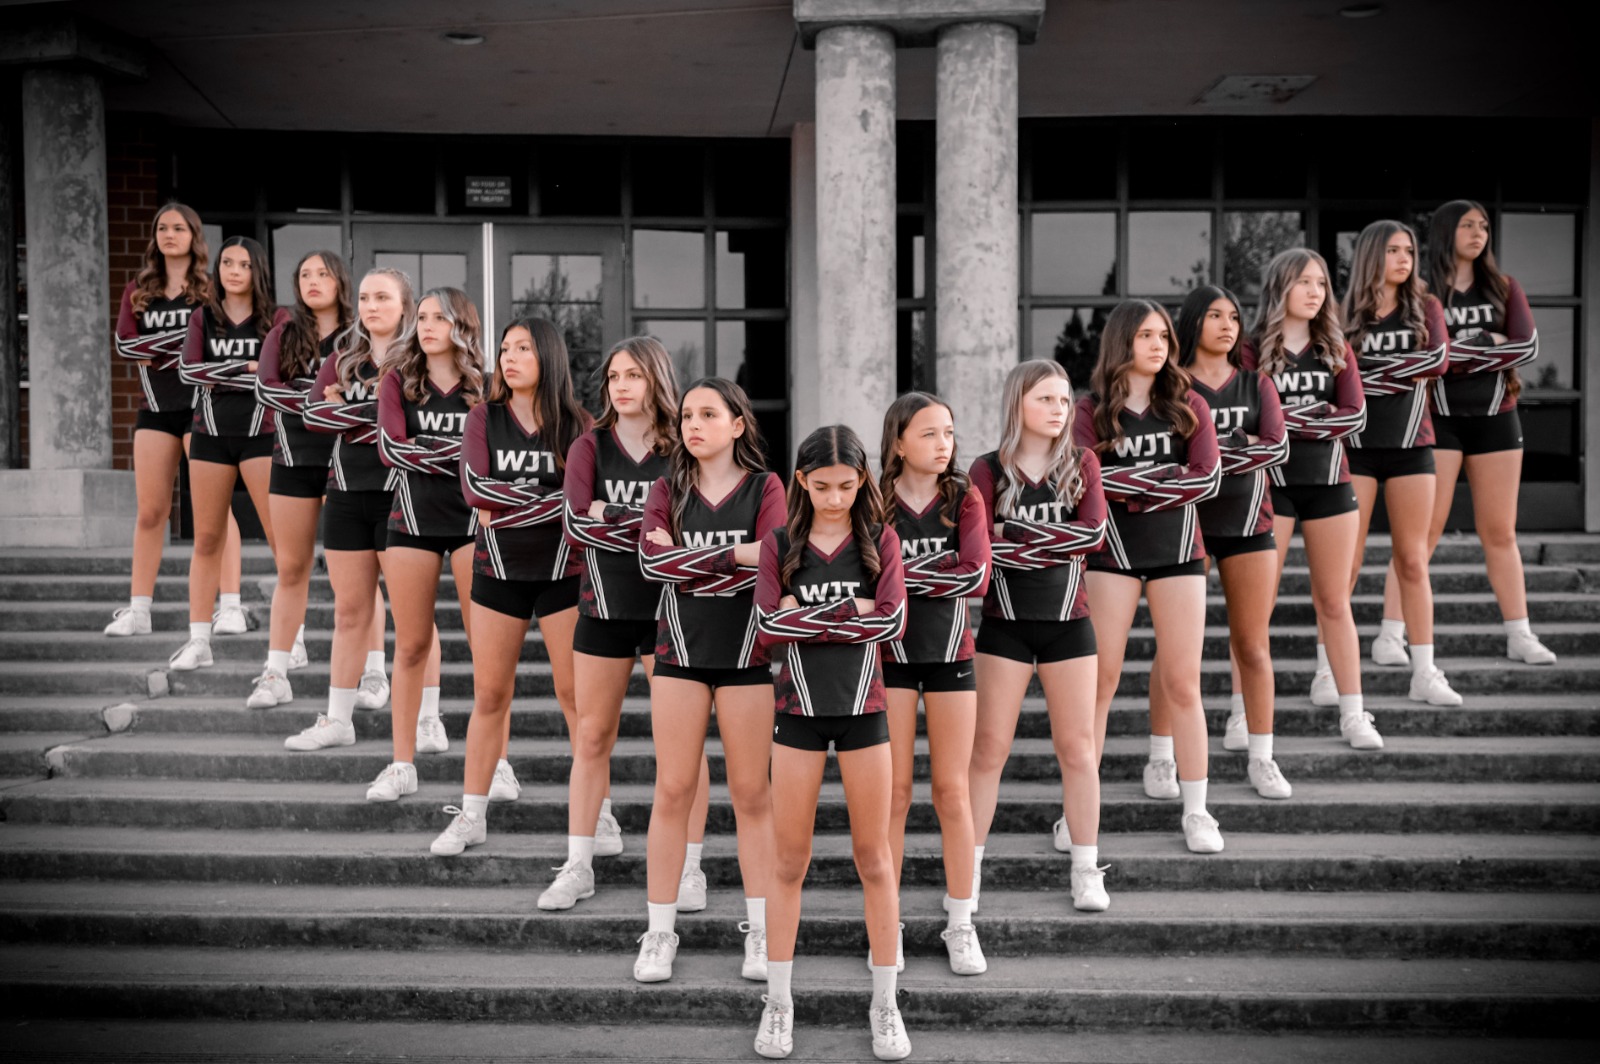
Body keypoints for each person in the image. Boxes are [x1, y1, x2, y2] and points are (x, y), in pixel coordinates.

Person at [535, 337, 713, 908]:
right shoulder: (590, 447)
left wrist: (610, 515)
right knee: (590, 736)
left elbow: (687, 533)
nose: (621, 385)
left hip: (673, 615)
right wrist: (644, 525)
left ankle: (690, 867)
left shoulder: (682, 449)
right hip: (604, 610)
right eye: (613, 376)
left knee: (682, 748)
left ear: (656, 378)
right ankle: (579, 863)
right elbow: (575, 528)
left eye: (633, 375)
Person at [752, 424, 909, 1062]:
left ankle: (886, 1004)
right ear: (801, 482)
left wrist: (807, 616)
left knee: (875, 860)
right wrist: (854, 614)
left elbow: (893, 620)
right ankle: (779, 1003)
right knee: (789, 863)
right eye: (822, 487)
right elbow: (768, 625)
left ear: (864, 481)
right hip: (796, 715)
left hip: (865, 714)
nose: (836, 497)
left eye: (848, 485)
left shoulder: (882, 541)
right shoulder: (780, 543)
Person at [633, 378, 783, 987]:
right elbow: (650, 562)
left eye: (709, 414)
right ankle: (660, 932)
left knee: (752, 796)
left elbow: (772, 557)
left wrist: (692, 561)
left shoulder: (766, 487)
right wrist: (731, 558)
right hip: (679, 655)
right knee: (672, 791)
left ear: (737, 424)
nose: (694, 424)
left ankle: (762, 932)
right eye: (688, 414)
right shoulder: (666, 489)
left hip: (747, 658)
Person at [430, 318, 589, 855]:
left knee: (575, 698)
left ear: (548, 356)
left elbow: (579, 506)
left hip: (563, 575)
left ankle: (601, 816)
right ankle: (472, 814)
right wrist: (546, 502)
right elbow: (475, 490)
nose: (510, 357)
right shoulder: (483, 418)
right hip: (497, 573)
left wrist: (513, 499)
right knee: (490, 695)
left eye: (523, 348)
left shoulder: (578, 425)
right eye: (504, 349)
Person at [1376, 199, 1557, 667]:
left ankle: (1520, 634)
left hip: (1498, 416)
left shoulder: (1503, 287)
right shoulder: (1421, 293)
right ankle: (1391, 635)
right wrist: (1486, 343)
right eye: (1467, 225)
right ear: (1444, 232)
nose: (1479, 233)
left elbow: (1527, 347)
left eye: (1483, 226)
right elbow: (1425, 358)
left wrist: (1460, 351)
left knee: (1499, 531)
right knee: (1422, 536)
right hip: (1438, 421)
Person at [1075, 301, 1224, 854]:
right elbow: (1087, 482)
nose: (1159, 344)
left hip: (1179, 553)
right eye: (1144, 335)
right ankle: (1078, 811)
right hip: (1111, 555)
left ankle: (1197, 810)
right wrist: (1163, 481)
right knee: (1101, 683)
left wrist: (1131, 485)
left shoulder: (1189, 406)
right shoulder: (1091, 410)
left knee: (1184, 683)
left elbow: (1206, 478)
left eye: (1163, 335)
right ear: (1121, 343)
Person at [967, 360, 1109, 913]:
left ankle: (1085, 869)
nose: (1058, 410)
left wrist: (1015, 532)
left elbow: (1092, 535)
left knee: (1078, 750)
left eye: (1063, 400)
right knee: (988, 752)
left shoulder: (1083, 463)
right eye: (1045, 399)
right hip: (1004, 625)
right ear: (1018, 404)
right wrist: (1055, 536)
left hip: (1069, 625)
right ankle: (969, 872)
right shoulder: (986, 471)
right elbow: (981, 548)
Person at [1244, 249, 1379, 749]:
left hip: (1329, 485)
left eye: (1321, 283)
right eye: (1303, 282)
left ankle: (1354, 714)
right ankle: (1242, 714)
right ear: (1280, 288)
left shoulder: (1335, 346)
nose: (1315, 292)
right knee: (1257, 609)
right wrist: (1312, 419)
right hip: (1269, 490)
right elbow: (1250, 423)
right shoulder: (1251, 349)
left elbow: (1354, 417)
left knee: (1334, 601)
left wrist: (1286, 424)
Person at [878, 392, 990, 974]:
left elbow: (974, 575)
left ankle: (961, 921)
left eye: (948, 431)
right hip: (890, 660)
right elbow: (868, 583)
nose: (943, 443)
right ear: (898, 442)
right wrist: (929, 573)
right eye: (928, 434)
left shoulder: (964, 497)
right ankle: (887, 921)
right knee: (894, 793)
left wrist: (901, 577)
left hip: (951, 657)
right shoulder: (873, 506)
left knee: (951, 790)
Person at [285, 268, 419, 755]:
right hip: (345, 492)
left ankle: (427, 719)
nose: (371, 306)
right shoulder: (343, 358)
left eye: (382, 297)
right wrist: (369, 416)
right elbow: (312, 414)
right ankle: (338, 719)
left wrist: (350, 411)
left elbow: (409, 427)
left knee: (412, 618)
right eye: (364, 297)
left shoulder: (420, 361)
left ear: (405, 305)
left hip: (403, 496)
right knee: (349, 611)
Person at [106, 203, 248, 640]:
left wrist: (163, 347)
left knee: (215, 511)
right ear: (154, 236)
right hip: (155, 409)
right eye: (162, 228)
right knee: (151, 510)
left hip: (202, 408)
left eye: (179, 228)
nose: (170, 234)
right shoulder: (139, 289)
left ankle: (231, 606)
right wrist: (182, 344)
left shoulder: (208, 289)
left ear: (194, 235)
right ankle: (139, 609)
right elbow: (126, 347)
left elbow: (213, 346)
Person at [1175, 285, 1292, 798]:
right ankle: (1162, 758)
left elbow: (1276, 448)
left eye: (1234, 317)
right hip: (1185, 529)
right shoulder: (1171, 387)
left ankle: (1262, 757)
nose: (1228, 325)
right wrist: (1234, 446)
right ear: (1194, 322)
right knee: (1179, 655)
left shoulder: (1256, 383)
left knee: (1253, 644)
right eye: (1216, 316)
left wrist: (1216, 451)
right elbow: (1170, 462)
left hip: (1250, 525)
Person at [370, 288, 483, 801]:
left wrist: (433, 451)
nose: (428, 325)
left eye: (440, 317)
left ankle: (497, 763)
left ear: (462, 324)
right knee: (412, 643)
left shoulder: (486, 387)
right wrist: (459, 456)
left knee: (488, 650)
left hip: (472, 525)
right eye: (422, 317)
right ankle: (400, 764)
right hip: (410, 522)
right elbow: (394, 450)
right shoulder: (397, 380)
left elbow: (491, 461)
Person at [1341, 220, 1459, 706]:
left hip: (1413, 446)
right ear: (1373, 255)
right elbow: (1338, 372)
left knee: (1413, 558)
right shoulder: (1346, 312)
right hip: (1357, 451)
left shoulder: (1425, 307)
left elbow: (1438, 361)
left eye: (1409, 250)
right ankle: (1329, 669)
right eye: (1393, 250)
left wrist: (1369, 375)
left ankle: (1425, 671)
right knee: (1344, 565)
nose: (1404, 258)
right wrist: (1386, 376)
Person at [170, 237, 285, 672]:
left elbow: (279, 373)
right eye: (226, 263)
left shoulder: (277, 318)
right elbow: (188, 370)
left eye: (243, 264)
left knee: (282, 542)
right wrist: (247, 370)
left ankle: (291, 639)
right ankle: (199, 640)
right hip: (209, 436)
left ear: (258, 270)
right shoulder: (204, 317)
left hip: (262, 436)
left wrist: (226, 375)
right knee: (206, 539)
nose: (233, 271)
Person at [247, 250, 352, 708]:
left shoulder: (359, 339)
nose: (313, 281)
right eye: (305, 273)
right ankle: (276, 672)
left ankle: (371, 673)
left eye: (322, 273)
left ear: (340, 282)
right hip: (291, 458)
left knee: (355, 582)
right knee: (291, 568)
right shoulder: (283, 333)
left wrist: (309, 397)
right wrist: (319, 399)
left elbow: (366, 402)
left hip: (348, 465)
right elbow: (267, 389)